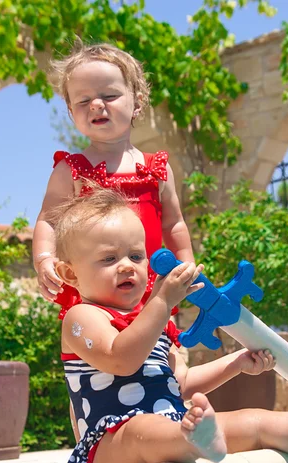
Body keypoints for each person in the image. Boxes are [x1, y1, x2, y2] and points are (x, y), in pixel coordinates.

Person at [50, 187, 288, 463]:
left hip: (175, 423)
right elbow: (121, 360)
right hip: (110, 446)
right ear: (71, 274)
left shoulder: (153, 324)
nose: (127, 265)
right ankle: (193, 440)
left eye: (136, 255)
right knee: (141, 429)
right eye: (108, 259)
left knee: (253, 421)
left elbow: (178, 384)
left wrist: (235, 364)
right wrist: (162, 302)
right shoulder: (82, 317)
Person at [33, 39, 194, 306]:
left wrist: (186, 262)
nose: (96, 105)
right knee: (99, 347)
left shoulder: (157, 169)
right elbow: (48, 221)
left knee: (155, 346)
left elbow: (173, 223)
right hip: (92, 295)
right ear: (72, 113)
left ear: (137, 103)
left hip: (149, 290)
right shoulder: (72, 171)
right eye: (83, 101)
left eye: (109, 96)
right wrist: (44, 259)